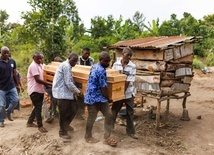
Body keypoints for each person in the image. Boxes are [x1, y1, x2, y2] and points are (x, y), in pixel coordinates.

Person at [84, 51, 117, 147]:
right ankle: (88, 136)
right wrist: (109, 98)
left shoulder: (94, 66)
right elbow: (104, 88)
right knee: (92, 117)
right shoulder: (101, 70)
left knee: (109, 115)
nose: (108, 63)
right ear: (100, 60)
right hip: (93, 98)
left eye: (109, 61)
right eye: (106, 61)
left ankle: (107, 137)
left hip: (98, 97)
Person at [52, 53, 83, 139]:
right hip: (61, 93)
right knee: (63, 114)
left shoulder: (67, 66)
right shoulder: (66, 66)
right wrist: (78, 92)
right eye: (73, 61)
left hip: (66, 93)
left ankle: (66, 125)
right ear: (68, 58)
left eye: (76, 61)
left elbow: (69, 81)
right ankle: (62, 132)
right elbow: (68, 83)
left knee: (74, 108)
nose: (74, 63)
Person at [111, 47, 138, 139]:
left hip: (128, 93)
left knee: (130, 112)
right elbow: (112, 77)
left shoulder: (132, 66)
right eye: (127, 54)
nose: (129, 57)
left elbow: (128, 81)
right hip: (117, 92)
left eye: (130, 55)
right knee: (114, 110)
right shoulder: (115, 64)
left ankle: (130, 132)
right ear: (123, 54)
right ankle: (109, 128)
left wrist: (122, 93)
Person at [26, 51, 51, 133]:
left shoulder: (40, 65)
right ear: (34, 58)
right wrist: (48, 84)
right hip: (34, 90)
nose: (40, 60)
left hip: (39, 90)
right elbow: (37, 79)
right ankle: (40, 126)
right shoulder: (33, 66)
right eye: (38, 58)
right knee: (38, 108)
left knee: (37, 107)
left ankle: (29, 122)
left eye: (41, 58)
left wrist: (47, 84)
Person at [0, 46, 20, 127]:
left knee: (16, 100)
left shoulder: (12, 61)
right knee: (2, 105)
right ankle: (1, 121)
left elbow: (14, 73)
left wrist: (17, 84)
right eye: (4, 53)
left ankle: (8, 113)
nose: (6, 54)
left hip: (11, 86)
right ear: (1, 53)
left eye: (7, 52)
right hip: (1, 88)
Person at [76, 47, 94, 120]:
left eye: (88, 53)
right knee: (80, 97)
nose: (87, 55)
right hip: (79, 80)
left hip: (88, 80)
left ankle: (85, 114)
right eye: (86, 53)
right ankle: (79, 114)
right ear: (82, 52)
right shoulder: (78, 60)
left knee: (87, 97)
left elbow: (92, 69)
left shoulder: (91, 60)